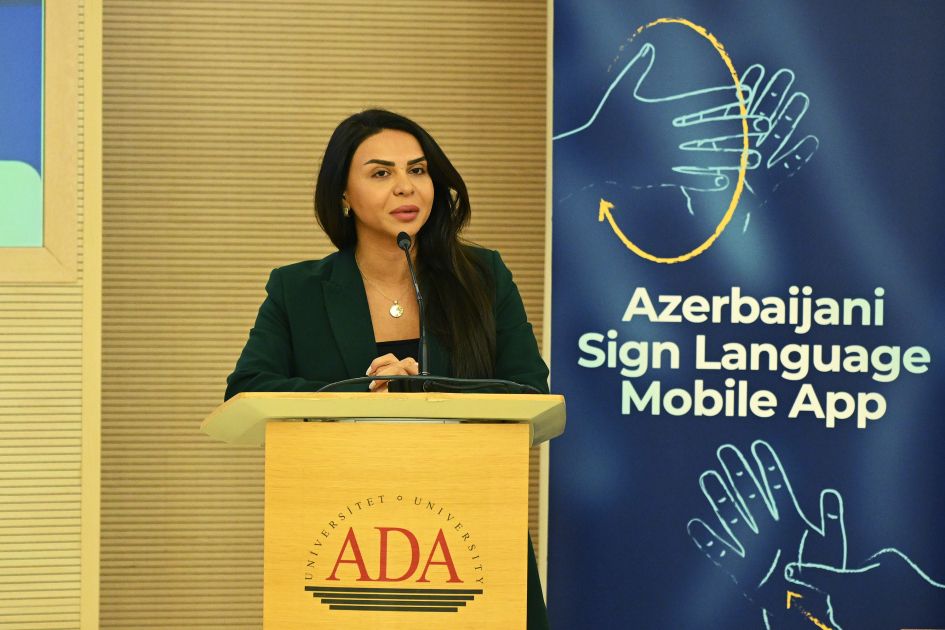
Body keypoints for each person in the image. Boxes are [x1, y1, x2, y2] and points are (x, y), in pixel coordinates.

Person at [225, 109, 550, 628]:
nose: (405, 187)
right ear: (343, 194)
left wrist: (428, 393)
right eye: (381, 173)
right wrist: (364, 395)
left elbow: (528, 389)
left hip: (471, 530)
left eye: (417, 170)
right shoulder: (297, 290)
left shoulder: (483, 277)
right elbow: (248, 388)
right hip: (343, 537)